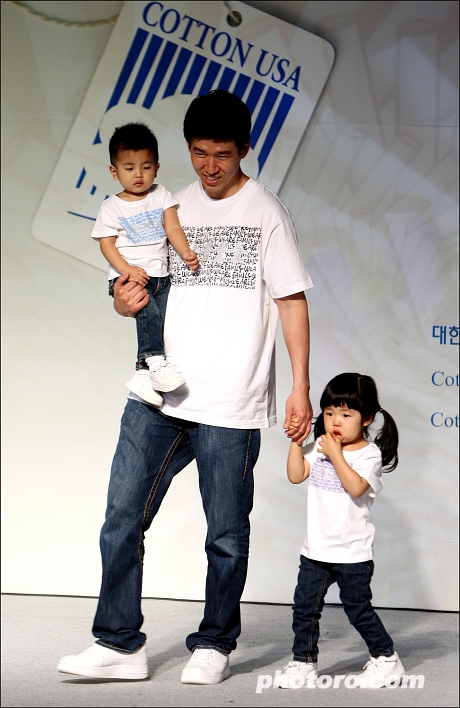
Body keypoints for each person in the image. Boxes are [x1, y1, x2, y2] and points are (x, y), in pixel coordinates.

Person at [58, 90, 313, 684]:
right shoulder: (168, 204)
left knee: (225, 535)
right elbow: (135, 284)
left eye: (222, 154)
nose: (210, 167)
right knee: (121, 517)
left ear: (245, 149)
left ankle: (215, 641)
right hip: (160, 392)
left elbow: (291, 301)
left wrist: (300, 385)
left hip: (232, 399)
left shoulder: (267, 213)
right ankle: (119, 643)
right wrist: (124, 301)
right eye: (199, 153)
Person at [280, 372, 405, 689]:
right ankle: (303, 662)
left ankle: (387, 659)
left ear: (367, 418)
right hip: (316, 550)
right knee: (304, 609)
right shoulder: (320, 446)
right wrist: (297, 443)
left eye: (346, 414)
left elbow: (356, 487)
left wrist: (335, 455)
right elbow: (296, 475)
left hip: (352, 553)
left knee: (358, 609)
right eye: (329, 413)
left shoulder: (369, 454)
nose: (335, 421)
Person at [92, 122, 199, 406]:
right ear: (114, 171)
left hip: (161, 276)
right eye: (129, 168)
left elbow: (173, 228)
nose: (138, 174)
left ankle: (142, 373)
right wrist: (127, 270)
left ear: (157, 167)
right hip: (129, 278)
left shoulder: (161, 195)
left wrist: (185, 251)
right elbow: (106, 244)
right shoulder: (111, 207)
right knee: (149, 317)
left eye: (146, 167)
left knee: (157, 323)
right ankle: (156, 363)